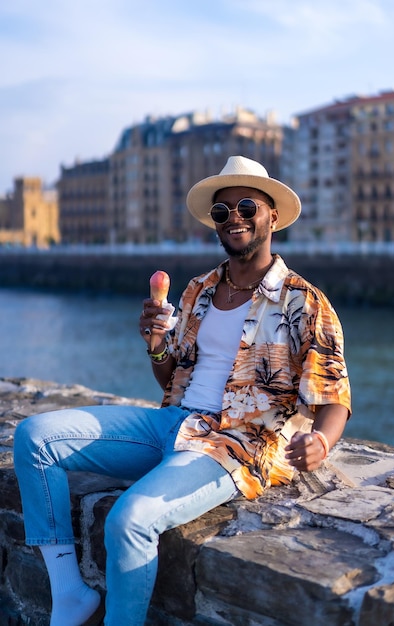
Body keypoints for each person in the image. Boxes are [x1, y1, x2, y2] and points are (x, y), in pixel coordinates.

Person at [14, 155, 351, 626]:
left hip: (238, 444)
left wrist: (321, 441)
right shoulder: (199, 290)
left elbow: (333, 396)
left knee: (130, 519)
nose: (234, 218)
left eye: (247, 207)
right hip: (173, 423)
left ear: (272, 215)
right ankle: (70, 595)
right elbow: (173, 376)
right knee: (34, 438)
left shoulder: (303, 301)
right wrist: (156, 345)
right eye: (222, 211)